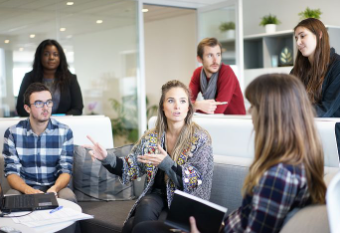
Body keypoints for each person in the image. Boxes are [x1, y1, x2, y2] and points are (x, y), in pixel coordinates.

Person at [137, 74, 327, 233]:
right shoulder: (296, 164)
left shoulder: (278, 176)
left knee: (142, 229)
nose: (250, 112)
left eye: (254, 106)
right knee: (137, 224)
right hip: (223, 227)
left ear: (272, 114)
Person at [85, 80, 214, 233]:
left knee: (131, 226)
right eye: (171, 100)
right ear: (163, 107)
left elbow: (194, 180)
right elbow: (130, 167)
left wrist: (167, 163)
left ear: (188, 107)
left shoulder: (200, 138)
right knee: (145, 204)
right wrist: (107, 158)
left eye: (182, 101)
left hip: (186, 200)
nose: (177, 106)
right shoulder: (151, 137)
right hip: (157, 195)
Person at [3, 83, 76, 202]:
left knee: (69, 197)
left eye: (48, 102)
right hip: (24, 189)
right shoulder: (12, 133)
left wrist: (54, 189)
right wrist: (29, 191)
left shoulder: (64, 132)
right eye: (38, 103)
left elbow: (66, 169)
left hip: (55, 188)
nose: (45, 107)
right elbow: (11, 172)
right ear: (27, 108)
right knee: (10, 199)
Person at [291, 18, 340, 158]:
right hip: (305, 137)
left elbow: (326, 109)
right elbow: (287, 101)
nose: (298, 42)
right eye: (296, 38)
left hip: (333, 140)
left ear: (319, 35)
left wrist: (290, 116)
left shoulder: (337, 66)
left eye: (302, 36)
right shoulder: (297, 70)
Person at [16, 39, 83, 116]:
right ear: (39, 57)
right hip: (36, 125)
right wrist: (39, 119)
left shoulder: (70, 79)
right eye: (46, 54)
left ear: (60, 57)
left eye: (55, 54)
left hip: (63, 124)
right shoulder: (29, 78)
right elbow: (21, 108)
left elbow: (77, 108)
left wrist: (63, 119)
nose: (51, 57)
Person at [189, 37, 245, 115]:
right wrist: (197, 105)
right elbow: (186, 102)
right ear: (199, 59)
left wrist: (194, 107)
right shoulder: (197, 73)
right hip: (214, 121)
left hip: (235, 122)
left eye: (218, 55)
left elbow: (218, 110)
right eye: (210, 55)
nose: (215, 60)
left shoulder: (226, 71)